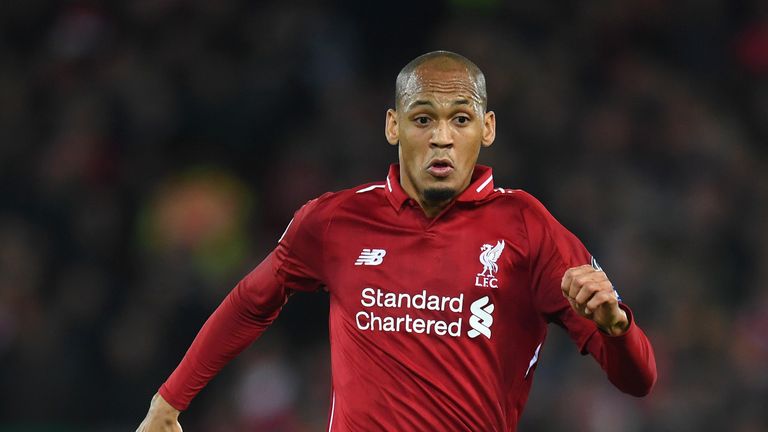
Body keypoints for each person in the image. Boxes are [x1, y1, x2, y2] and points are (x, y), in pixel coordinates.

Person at [137, 50, 656, 432]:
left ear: (487, 128)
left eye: (460, 119)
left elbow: (639, 381)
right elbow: (251, 303)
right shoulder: (335, 221)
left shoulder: (527, 227)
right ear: (393, 125)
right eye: (423, 118)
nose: (442, 137)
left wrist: (616, 326)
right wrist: (169, 400)